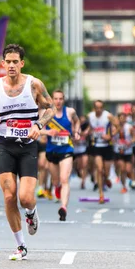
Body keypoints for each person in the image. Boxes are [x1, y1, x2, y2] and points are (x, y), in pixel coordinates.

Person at [0, 44, 55, 261]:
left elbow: (50, 108)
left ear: (21, 63)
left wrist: (38, 125)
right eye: (8, 62)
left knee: (25, 198)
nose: (12, 65)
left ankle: (31, 213)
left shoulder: (33, 85)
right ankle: (21, 245)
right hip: (5, 145)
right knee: (8, 195)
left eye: (16, 62)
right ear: (3, 63)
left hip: (27, 146)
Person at [42, 90, 80, 221]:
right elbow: (37, 129)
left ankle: (63, 207)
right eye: (56, 99)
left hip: (66, 149)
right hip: (52, 151)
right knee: (56, 181)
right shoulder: (46, 113)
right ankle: (57, 187)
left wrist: (76, 132)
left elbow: (77, 121)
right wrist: (48, 132)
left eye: (60, 99)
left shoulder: (70, 112)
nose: (58, 101)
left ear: (63, 100)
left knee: (65, 179)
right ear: (52, 99)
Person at [87, 100, 119, 203]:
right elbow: (90, 128)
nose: (99, 109)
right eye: (97, 107)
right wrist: (88, 133)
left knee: (106, 171)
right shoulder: (90, 116)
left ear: (103, 108)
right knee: (99, 169)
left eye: (101, 107)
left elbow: (118, 126)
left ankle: (107, 178)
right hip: (96, 145)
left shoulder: (108, 116)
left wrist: (110, 135)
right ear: (94, 108)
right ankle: (101, 194)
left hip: (107, 146)